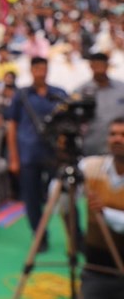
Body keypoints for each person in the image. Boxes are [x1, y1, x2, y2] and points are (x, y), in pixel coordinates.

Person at [6, 56, 69, 251]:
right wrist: (14, 157)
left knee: (65, 195)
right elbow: (12, 127)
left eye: (43, 68)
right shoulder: (21, 95)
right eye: (37, 69)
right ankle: (40, 235)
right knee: (31, 198)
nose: (40, 72)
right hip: (28, 154)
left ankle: (75, 236)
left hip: (55, 154)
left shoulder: (58, 94)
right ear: (31, 71)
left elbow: (68, 123)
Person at [80, 117, 124, 297]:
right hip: (97, 268)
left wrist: (104, 212)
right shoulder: (89, 167)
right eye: (113, 134)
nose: (117, 139)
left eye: (123, 135)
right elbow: (58, 195)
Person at [81, 52, 124, 157]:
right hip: (92, 148)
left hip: (120, 151)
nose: (99, 69)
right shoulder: (81, 91)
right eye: (96, 65)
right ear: (91, 66)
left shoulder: (121, 89)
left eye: (102, 65)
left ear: (107, 66)